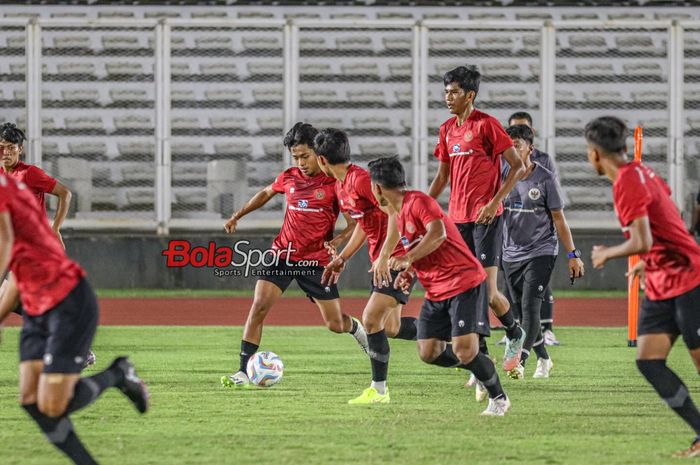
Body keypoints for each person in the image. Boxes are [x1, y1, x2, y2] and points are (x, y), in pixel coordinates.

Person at [0, 171, 149, 465]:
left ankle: (119, 373)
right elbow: (16, 271)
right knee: (32, 401)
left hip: (66, 299)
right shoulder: (13, 190)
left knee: (53, 403)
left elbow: (5, 245)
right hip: (36, 306)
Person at [586, 116, 700, 458]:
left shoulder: (626, 182)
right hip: (663, 280)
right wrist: (646, 264)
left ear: (594, 154)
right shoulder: (641, 172)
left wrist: (609, 253)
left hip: (689, 278)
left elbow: (642, 238)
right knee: (649, 360)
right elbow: (667, 218)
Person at [220, 122, 367, 389]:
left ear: (318, 153)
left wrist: (337, 241)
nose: (299, 162)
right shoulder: (289, 177)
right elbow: (266, 193)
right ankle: (243, 370)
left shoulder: (334, 183)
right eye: (295, 157)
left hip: (316, 262)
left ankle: (357, 329)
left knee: (335, 324)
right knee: (259, 306)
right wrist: (238, 215)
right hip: (283, 254)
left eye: (304, 156)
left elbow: (354, 224)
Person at [369, 156, 511, 416]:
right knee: (428, 352)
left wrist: (407, 258)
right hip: (436, 290)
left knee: (464, 349)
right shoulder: (399, 214)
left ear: (377, 188)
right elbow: (424, 246)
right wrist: (409, 271)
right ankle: (480, 365)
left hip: (464, 283)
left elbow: (439, 234)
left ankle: (499, 399)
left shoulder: (418, 201)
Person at [428, 65, 526, 398]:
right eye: (445, 92)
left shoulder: (487, 125)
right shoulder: (445, 130)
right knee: (467, 290)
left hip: (487, 218)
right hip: (458, 221)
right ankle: (481, 358)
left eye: (454, 92)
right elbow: (442, 178)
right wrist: (419, 209)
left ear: (470, 95)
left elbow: (519, 166)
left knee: (486, 289)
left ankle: (514, 332)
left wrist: (494, 201)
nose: (447, 98)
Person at [313, 128, 418, 405]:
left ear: (322, 160)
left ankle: (379, 390)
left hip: (396, 257)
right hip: (383, 258)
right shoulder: (341, 184)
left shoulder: (360, 181)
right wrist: (343, 257)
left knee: (371, 319)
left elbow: (396, 211)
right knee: (391, 327)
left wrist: (384, 255)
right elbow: (363, 223)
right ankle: (452, 334)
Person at [0, 123, 95, 367]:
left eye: (11, 147)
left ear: (20, 149)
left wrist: (55, 228)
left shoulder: (29, 174)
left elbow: (65, 194)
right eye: (2, 148)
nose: (6, 152)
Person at [501, 124, 584, 379]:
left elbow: (559, 219)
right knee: (517, 312)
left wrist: (572, 255)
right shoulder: (500, 174)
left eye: (518, 146)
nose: (513, 151)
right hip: (510, 254)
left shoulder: (545, 178)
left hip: (541, 250)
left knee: (530, 306)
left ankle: (520, 361)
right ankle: (544, 359)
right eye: (509, 147)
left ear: (530, 149)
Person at [506, 112, 560, 346]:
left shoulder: (543, 163)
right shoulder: (503, 164)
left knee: (535, 294)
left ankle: (543, 331)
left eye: (522, 131)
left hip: (539, 241)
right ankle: (523, 335)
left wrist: (572, 253)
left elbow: (551, 198)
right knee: (514, 295)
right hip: (512, 241)